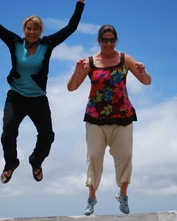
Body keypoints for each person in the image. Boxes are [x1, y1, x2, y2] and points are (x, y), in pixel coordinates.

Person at [0, 0, 90, 184]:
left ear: (40, 31)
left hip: (37, 98)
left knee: (47, 136)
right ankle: (10, 164)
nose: (32, 32)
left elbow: (71, 28)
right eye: (29, 28)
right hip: (16, 97)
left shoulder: (47, 45)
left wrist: (80, 3)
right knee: (8, 134)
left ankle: (36, 161)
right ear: (24, 29)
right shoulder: (15, 43)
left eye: (36, 29)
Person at [67, 24, 152, 215]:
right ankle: (91, 196)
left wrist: (143, 71)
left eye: (112, 40)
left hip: (123, 116)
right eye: (104, 40)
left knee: (125, 157)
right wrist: (77, 71)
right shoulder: (90, 62)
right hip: (95, 117)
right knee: (94, 156)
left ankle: (123, 195)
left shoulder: (124, 59)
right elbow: (71, 88)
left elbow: (146, 81)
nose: (108, 43)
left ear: (116, 40)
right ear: (99, 41)